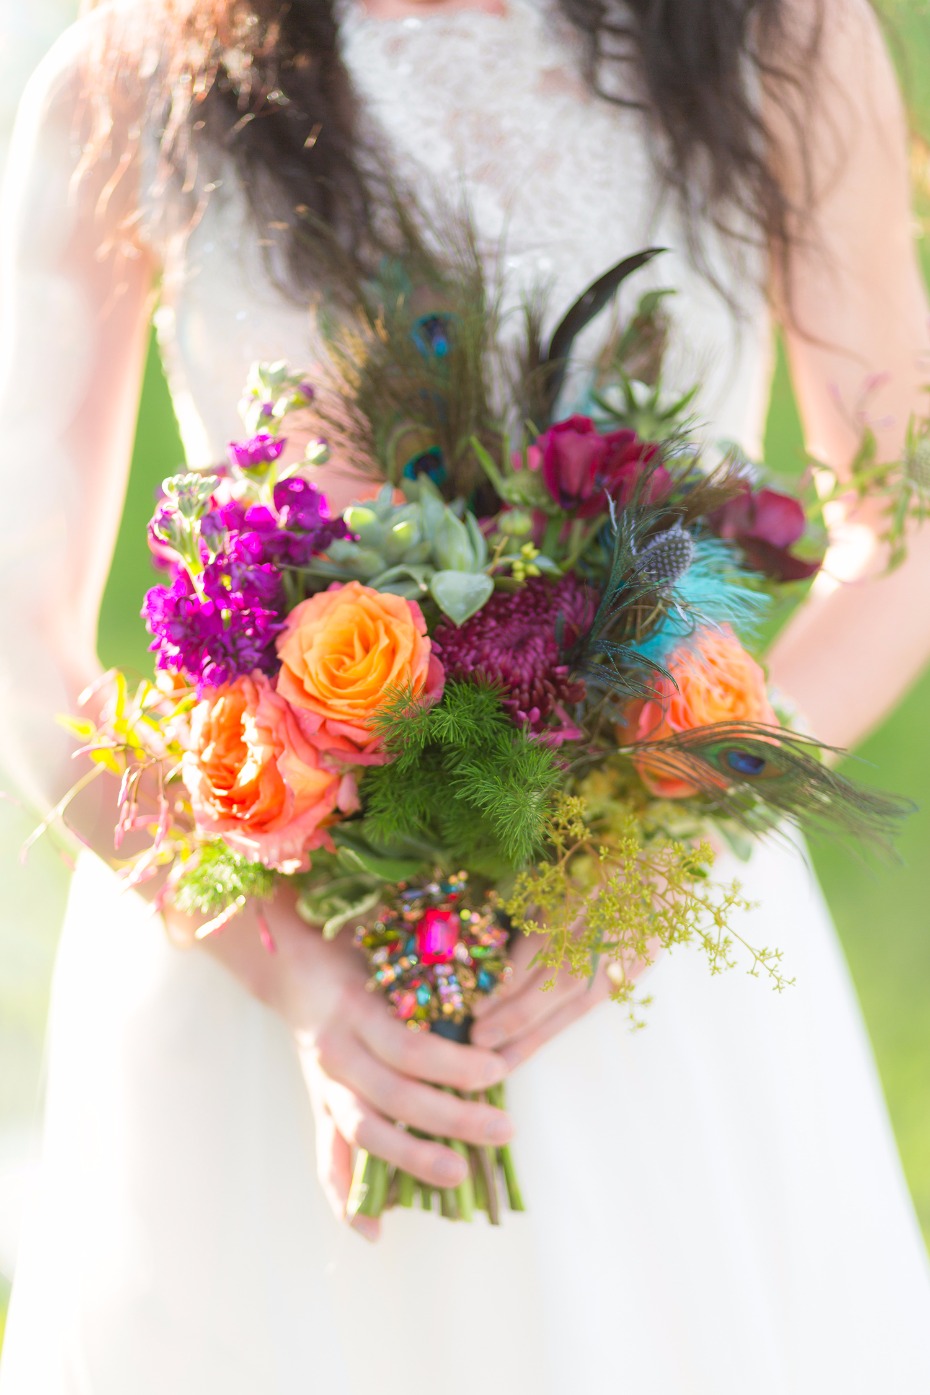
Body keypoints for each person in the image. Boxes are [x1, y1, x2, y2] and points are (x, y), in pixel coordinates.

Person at [1, 0, 930, 1389]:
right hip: (269, 957)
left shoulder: (778, 39)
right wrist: (292, 974)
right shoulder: (130, 76)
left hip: (649, 955)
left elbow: (903, 522)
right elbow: (21, 635)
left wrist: (665, 830)